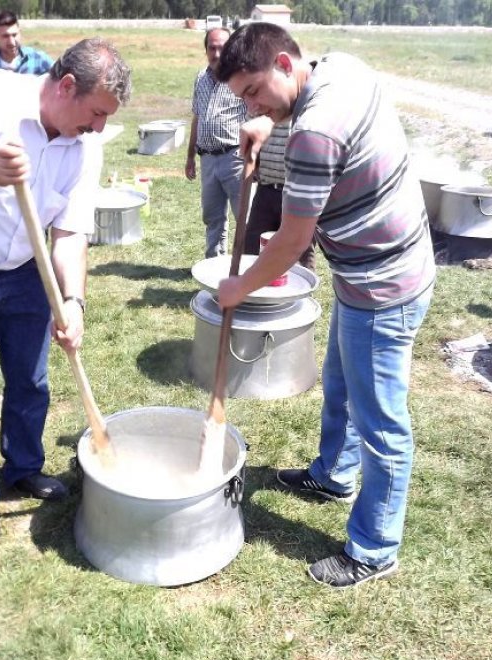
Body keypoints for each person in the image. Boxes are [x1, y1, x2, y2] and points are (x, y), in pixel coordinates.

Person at [215, 23, 436, 588]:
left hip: (382, 285)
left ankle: (375, 549)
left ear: (285, 64)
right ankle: (334, 474)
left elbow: (292, 241)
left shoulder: (314, 135)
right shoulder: (340, 66)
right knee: (341, 382)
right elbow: (303, 110)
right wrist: (269, 118)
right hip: (376, 269)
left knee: (381, 422)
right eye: (244, 99)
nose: (252, 105)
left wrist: (240, 287)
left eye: (254, 92)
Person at [0, 38, 132, 546]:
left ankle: (24, 467)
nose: (100, 127)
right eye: (97, 113)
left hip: (26, 272)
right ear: (67, 86)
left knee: (31, 380)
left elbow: (70, 232)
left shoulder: (86, 145)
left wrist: (73, 300)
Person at [185, 27, 247, 258]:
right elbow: (197, 117)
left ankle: (247, 267)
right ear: (206, 50)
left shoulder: (241, 78)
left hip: (235, 157)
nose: (217, 53)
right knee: (212, 217)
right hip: (208, 159)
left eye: (222, 48)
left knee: (244, 217)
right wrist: (190, 156)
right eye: (212, 48)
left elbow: (255, 117)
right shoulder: (200, 78)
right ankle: (214, 265)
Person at [243, 119, 315, 270]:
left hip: (297, 194)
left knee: (300, 251)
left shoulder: (307, 114)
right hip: (266, 190)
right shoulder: (266, 112)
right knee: (252, 245)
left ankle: (302, 285)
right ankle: (252, 283)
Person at [0, 10, 53, 75]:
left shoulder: (38, 59)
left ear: (20, 32)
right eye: (5, 36)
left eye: (14, 35)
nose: (12, 42)